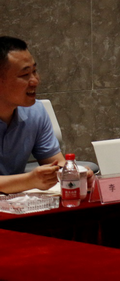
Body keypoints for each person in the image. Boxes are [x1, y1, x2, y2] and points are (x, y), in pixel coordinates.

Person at [0, 36, 65, 193]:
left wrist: (75, 173)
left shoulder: (36, 112)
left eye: (34, 71)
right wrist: (29, 181)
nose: (35, 81)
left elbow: (57, 164)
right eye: (25, 75)